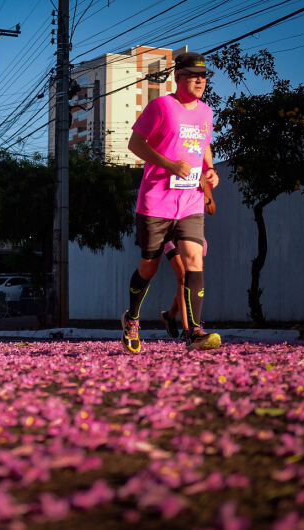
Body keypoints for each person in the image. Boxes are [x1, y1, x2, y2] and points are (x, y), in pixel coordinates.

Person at [122, 51, 221, 352]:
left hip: (190, 201)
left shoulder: (206, 113)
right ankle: (132, 317)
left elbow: (204, 147)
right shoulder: (161, 106)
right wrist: (168, 164)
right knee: (148, 268)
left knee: (194, 259)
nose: (200, 81)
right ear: (178, 77)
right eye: (193, 75)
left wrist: (211, 170)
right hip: (156, 201)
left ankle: (194, 332)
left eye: (203, 76)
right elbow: (135, 144)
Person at [160, 179, 215, 339]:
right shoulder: (172, 171)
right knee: (183, 277)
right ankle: (188, 329)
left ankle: (170, 316)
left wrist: (206, 197)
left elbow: (212, 208)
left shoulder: (202, 177)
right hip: (170, 233)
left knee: (188, 280)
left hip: (192, 233)